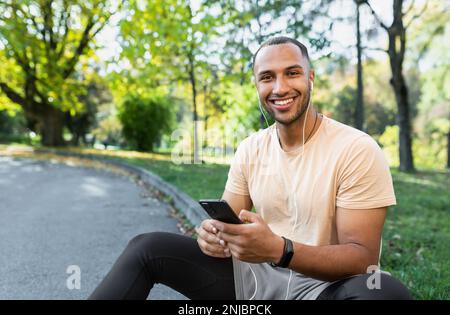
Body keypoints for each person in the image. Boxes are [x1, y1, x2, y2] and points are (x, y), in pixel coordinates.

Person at [88, 36, 412, 300]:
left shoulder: (356, 148)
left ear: (310, 78)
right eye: (267, 77)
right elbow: (227, 217)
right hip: (253, 285)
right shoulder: (251, 147)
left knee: (384, 291)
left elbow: (361, 258)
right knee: (148, 248)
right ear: (257, 86)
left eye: (292, 73)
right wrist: (211, 235)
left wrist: (280, 250)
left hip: (325, 290)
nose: (280, 88)